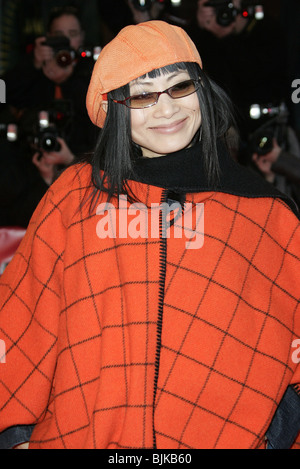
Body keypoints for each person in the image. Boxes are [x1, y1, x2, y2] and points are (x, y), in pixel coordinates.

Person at [0, 21, 299, 450]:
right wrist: (15, 435)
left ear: (202, 90)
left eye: (180, 87)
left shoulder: (265, 214)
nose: (166, 110)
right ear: (115, 108)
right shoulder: (75, 197)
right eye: (141, 95)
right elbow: (22, 315)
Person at [0, 6, 97, 227]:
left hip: (83, 178)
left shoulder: (92, 71)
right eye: (59, 36)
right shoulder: (31, 70)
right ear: (48, 38)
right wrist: (34, 65)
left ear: (82, 37)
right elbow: (3, 92)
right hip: (29, 182)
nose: (66, 42)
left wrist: (71, 159)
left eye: (72, 35)